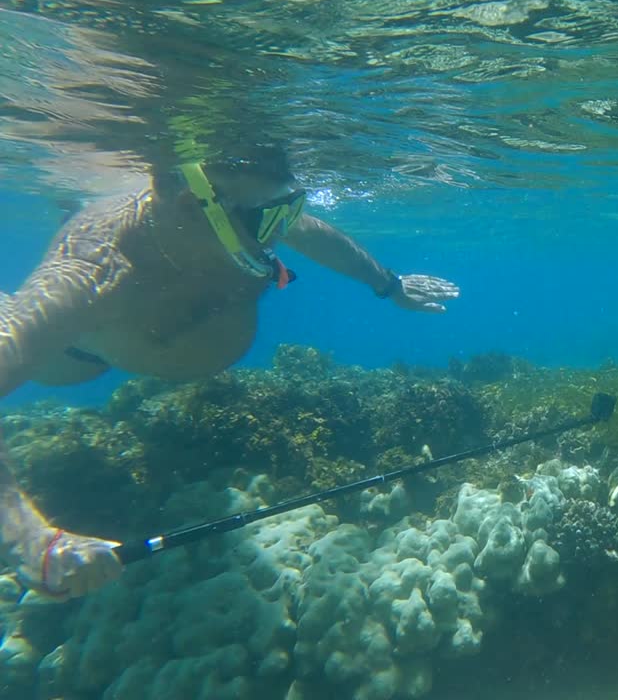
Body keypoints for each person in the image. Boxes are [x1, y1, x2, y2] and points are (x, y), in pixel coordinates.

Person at [0, 153, 460, 599]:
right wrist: (31, 540)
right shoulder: (92, 269)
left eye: (290, 208)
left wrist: (389, 284)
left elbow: (311, 233)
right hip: (73, 359)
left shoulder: (241, 211)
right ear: (183, 201)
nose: (278, 231)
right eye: (268, 219)